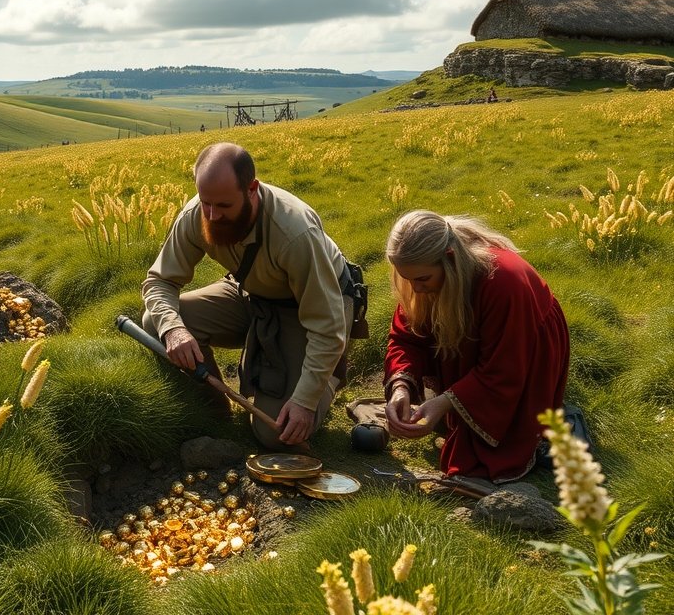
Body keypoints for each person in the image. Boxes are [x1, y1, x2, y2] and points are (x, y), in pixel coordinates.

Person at [141, 142, 355, 449]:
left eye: (224, 206)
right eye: (206, 204)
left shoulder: (295, 232)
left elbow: (327, 325)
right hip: (251, 295)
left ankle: (330, 379)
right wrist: (174, 329)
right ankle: (215, 411)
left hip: (310, 311)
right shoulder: (198, 214)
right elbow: (159, 281)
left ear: (251, 189)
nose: (212, 216)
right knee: (157, 322)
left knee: (276, 435)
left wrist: (305, 402)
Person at [383, 210, 570, 483]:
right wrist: (401, 388)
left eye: (422, 279)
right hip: (490, 345)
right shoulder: (421, 276)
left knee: (484, 455)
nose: (416, 289)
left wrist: (444, 403)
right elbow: (406, 338)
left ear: (449, 261)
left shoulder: (503, 282)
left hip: (523, 344)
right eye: (407, 279)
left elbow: (504, 368)